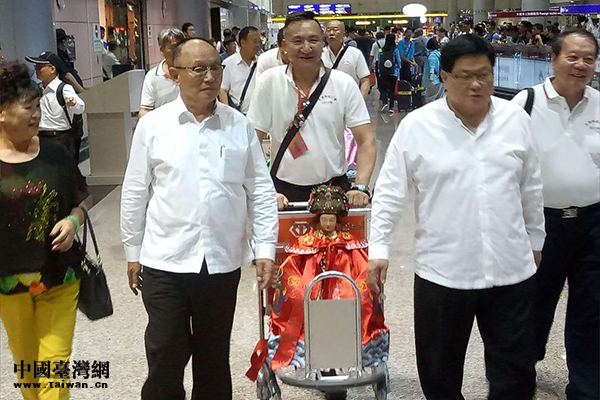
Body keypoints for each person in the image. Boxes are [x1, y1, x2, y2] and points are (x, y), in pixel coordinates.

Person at [368, 34, 545, 400]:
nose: (476, 84)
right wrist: (379, 247)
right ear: (444, 77)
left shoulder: (515, 119)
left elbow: (531, 185)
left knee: (515, 373)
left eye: (484, 74)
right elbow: (389, 189)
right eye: (465, 76)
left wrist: (536, 239)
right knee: (439, 375)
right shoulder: (418, 126)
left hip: (510, 269)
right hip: (443, 271)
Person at [120, 37, 278, 400]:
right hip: (164, 260)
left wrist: (265, 249)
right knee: (165, 350)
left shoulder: (238, 125)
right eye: (198, 69)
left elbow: (260, 189)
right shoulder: (153, 125)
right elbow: (135, 191)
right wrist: (132, 251)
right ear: (175, 75)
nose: (209, 76)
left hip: (221, 261)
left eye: (215, 68)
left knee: (213, 356)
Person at [512, 28, 600, 400]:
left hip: (593, 223)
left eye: (588, 59)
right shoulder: (527, 102)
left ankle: (587, 386)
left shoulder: (599, 103)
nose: (580, 65)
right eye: (572, 57)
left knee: (592, 307)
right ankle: (519, 371)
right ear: (553, 60)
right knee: (534, 304)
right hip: (540, 223)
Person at [0, 60, 88, 400]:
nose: (36, 115)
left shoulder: (54, 153)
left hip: (59, 277)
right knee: (27, 368)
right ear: (2, 113)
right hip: (9, 283)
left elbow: (80, 202)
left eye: (38, 106)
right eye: (28, 108)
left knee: (54, 367)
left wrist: (73, 221)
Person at [247, 11, 376, 209]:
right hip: (282, 193)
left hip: (334, 190)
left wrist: (360, 186)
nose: (306, 48)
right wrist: (264, 189)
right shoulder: (270, 81)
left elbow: (366, 139)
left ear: (322, 44)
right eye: (297, 41)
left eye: (313, 40)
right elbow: (252, 141)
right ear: (284, 47)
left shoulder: (343, 83)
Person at [266, 185, 389, 370]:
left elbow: (361, 266)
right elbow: (291, 268)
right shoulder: (306, 243)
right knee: (297, 296)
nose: (328, 224)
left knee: (361, 297)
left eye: (332, 220)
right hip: (312, 289)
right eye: (325, 219)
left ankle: (354, 347)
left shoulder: (348, 242)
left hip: (343, 287)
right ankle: (305, 349)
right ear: (318, 220)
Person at [26, 52, 85, 160]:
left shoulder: (64, 88)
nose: (37, 70)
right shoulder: (37, 89)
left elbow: (81, 107)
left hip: (61, 137)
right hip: (41, 137)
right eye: (36, 67)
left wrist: (73, 103)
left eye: (40, 67)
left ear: (52, 69)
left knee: (63, 167)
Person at [138, 28, 185, 119]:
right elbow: (144, 110)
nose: (177, 51)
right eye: (172, 48)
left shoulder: (192, 71)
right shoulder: (152, 76)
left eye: (180, 47)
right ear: (162, 50)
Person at [322, 19, 371, 98]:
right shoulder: (319, 54)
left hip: (350, 99)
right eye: (328, 30)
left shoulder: (355, 53)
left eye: (335, 30)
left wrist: (360, 100)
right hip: (326, 100)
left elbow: (365, 79)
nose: (331, 33)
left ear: (344, 34)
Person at [219, 26, 261, 114]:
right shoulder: (229, 63)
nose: (258, 45)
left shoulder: (261, 62)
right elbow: (223, 90)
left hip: (259, 116)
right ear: (243, 42)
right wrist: (227, 113)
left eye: (259, 41)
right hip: (238, 115)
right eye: (254, 41)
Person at [55, 28, 85, 93]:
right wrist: (82, 91)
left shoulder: (64, 54)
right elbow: (67, 77)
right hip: (71, 92)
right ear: (63, 42)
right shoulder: (59, 56)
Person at [378, 34, 398, 113]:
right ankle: (391, 107)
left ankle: (385, 102)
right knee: (392, 90)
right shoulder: (395, 50)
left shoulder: (381, 49)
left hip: (383, 72)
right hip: (393, 73)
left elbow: (379, 59)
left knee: (383, 88)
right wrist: (397, 68)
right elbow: (398, 61)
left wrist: (379, 70)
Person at [422, 38, 444, 103]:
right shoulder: (438, 54)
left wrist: (431, 79)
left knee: (430, 99)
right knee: (439, 100)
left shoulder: (432, 56)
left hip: (434, 80)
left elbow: (432, 67)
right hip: (440, 80)